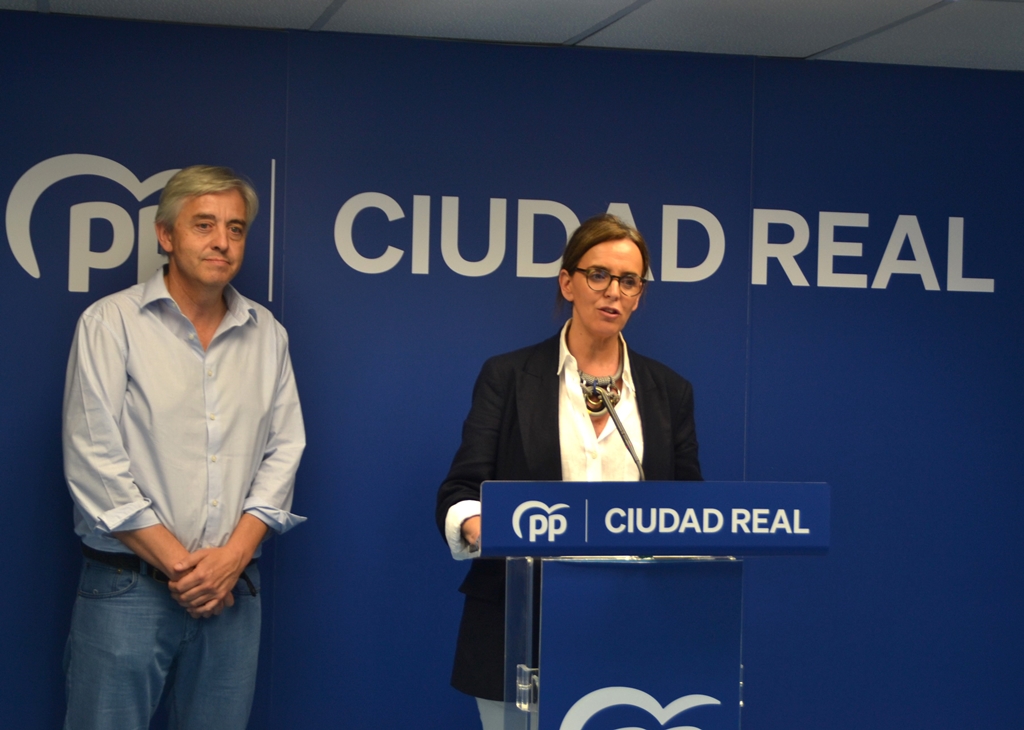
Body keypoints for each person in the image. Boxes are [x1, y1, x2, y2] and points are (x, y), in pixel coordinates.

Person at [61, 165, 306, 730]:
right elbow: (94, 463)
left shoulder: (268, 334)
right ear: (166, 235)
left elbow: (284, 452)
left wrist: (231, 560)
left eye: (236, 228)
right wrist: (190, 572)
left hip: (233, 590)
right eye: (204, 225)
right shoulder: (111, 323)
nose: (222, 241)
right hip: (128, 585)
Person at [435, 214, 703, 728]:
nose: (613, 292)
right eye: (598, 275)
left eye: (629, 281)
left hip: (632, 623)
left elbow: (690, 509)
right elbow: (461, 489)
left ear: (639, 296)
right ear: (567, 283)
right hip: (520, 623)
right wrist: (482, 526)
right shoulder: (509, 377)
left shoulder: (669, 392)